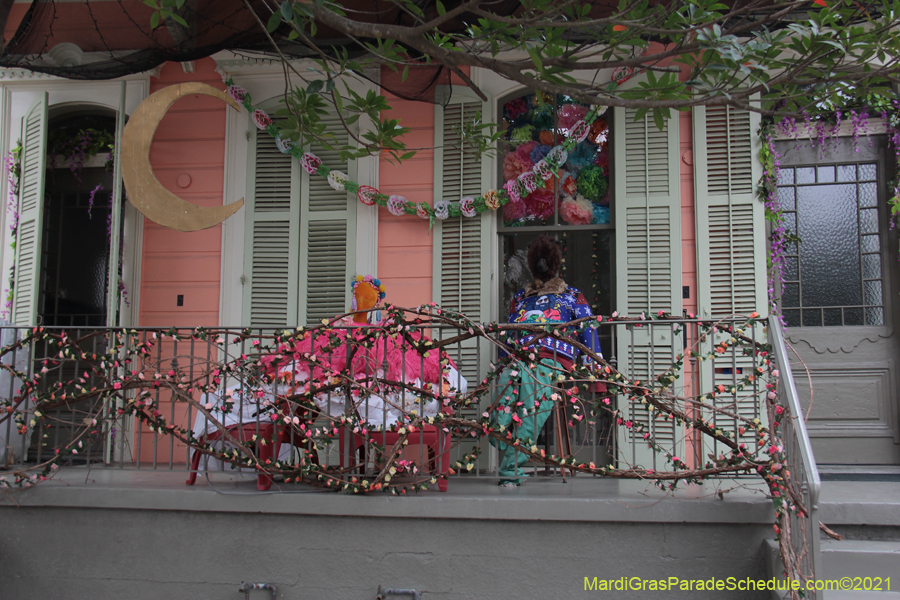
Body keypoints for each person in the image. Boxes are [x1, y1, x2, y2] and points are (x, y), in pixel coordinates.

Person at [492, 235, 603, 487]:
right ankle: (501, 438)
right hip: (519, 358)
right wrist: (502, 361)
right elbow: (510, 332)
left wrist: (596, 366)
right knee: (504, 389)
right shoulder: (521, 298)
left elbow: (588, 328)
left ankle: (511, 469)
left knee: (530, 400)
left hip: (553, 360)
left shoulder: (572, 295)